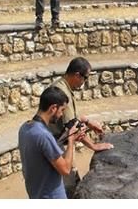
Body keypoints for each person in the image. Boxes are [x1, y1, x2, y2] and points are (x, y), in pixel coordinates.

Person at [47, 56, 114, 198]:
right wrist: (94, 146)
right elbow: (72, 126)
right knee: (71, 187)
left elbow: (72, 117)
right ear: (77, 75)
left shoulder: (62, 86)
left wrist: (88, 122)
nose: (85, 82)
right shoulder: (62, 91)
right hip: (56, 146)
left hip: (57, 143)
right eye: (85, 78)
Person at [18, 86, 85, 199]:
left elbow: (42, 154)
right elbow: (65, 170)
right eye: (62, 110)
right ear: (53, 108)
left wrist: (67, 136)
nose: (62, 115)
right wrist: (71, 140)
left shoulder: (24, 128)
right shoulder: (43, 135)